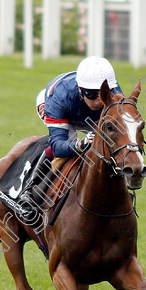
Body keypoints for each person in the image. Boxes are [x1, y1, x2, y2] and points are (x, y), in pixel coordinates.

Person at [19, 56, 123, 211]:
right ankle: (32, 189)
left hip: (90, 117)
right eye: (92, 94)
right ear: (81, 90)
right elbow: (58, 147)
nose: (98, 101)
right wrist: (80, 144)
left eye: (103, 94)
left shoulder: (115, 95)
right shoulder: (59, 98)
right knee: (67, 148)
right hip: (61, 109)